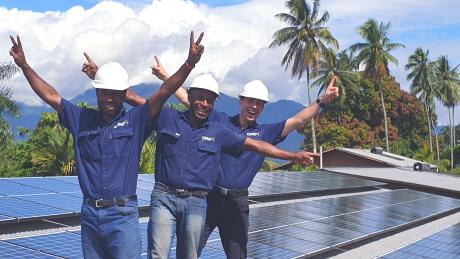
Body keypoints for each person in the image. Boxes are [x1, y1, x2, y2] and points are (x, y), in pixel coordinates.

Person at [82, 60, 317, 259]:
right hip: (173, 196)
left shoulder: (224, 130)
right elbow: (141, 101)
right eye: (200, 98)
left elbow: (260, 143)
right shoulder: (179, 118)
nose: (204, 103)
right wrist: (105, 79)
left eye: (210, 100)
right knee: (159, 252)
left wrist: (293, 154)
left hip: (207, 202)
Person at [9, 31, 205, 259]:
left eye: (114, 94)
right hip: (90, 215)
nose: (108, 99)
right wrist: (24, 65)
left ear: (124, 94)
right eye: (104, 93)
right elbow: (51, 95)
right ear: (97, 92)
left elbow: (164, 91)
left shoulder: (137, 120)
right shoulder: (81, 118)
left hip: (123, 216)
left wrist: (189, 63)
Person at [141, 57, 339, 258]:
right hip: (208, 199)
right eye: (250, 101)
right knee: (190, 252)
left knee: (237, 254)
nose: (254, 106)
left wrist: (322, 101)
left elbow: (298, 119)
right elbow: (189, 99)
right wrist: (165, 76)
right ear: (241, 101)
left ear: (263, 108)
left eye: (259, 104)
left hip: (237, 203)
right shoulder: (220, 121)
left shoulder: (266, 132)